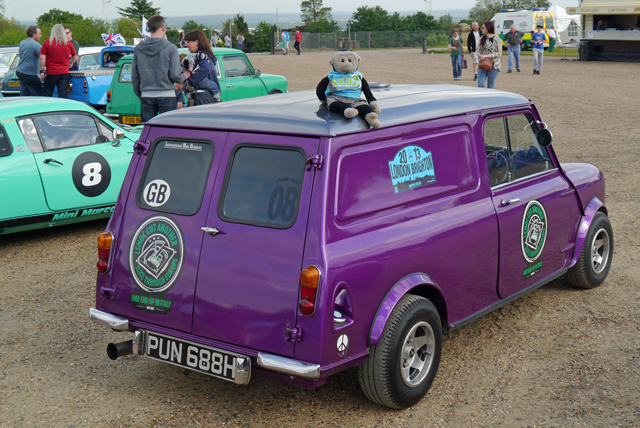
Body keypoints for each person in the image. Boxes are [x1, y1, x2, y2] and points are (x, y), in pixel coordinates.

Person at [131, 15, 185, 122]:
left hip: (146, 95)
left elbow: (135, 76)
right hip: (167, 95)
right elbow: (175, 76)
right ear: (163, 27)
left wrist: (140, 94)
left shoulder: (139, 48)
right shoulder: (171, 48)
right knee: (168, 131)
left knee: (148, 133)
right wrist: (185, 75)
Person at [182, 29, 221, 106]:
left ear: (197, 42)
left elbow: (205, 68)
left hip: (202, 96)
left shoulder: (200, 56)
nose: (186, 45)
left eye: (188, 42)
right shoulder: (207, 55)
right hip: (208, 96)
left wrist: (190, 82)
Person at [39, 24, 78, 98]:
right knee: (63, 93)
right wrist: (71, 63)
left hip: (51, 72)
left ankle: (47, 108)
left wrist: (41, 70)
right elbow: (75, 57)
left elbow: (42, 58)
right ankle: (63, 108)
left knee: (48, 93)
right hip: (64, 72)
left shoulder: (48, 42)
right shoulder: (68, 43)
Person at [16, 26, 44, 96]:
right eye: (39, 34)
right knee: (39, 94)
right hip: (29, 74)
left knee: (25, 94)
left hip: (20, 71)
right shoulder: (36, 45)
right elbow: (42, 57)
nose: (41, 36)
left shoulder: (22, 43)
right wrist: (42, 69)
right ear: (34, 35)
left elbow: (20, 55)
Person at [477, 21, 501, 89]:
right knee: (480, 84)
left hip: (493, 65)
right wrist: (480, 55)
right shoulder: (482, 38)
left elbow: (499, 53)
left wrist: (488, 56)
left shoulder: (496, 39)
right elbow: (477, 51)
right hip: (482, 64)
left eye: (483, 28)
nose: (481, 29)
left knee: (490, 86)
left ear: (488, 28)